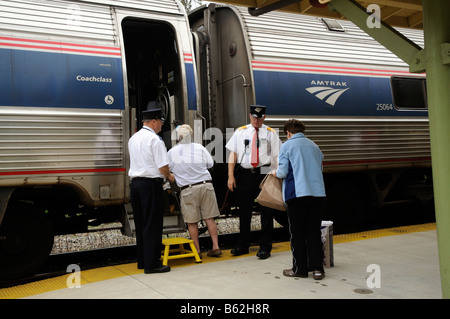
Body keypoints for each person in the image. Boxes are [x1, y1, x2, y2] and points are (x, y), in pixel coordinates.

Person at [226, 105, 281, 258]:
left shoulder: (271, 133)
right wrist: (230, 176)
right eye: (254, 117)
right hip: (245, 175)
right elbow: (233, 154)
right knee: (244, 212)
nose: (257, 120)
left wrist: (276, 173)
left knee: (266, 211)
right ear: (250, 117)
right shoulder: (241, 131)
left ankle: (265, 247)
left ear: (264, 117)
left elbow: (277, 156)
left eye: (260, 117)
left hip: (264, 174)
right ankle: (243, 245)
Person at [274, 119, 326, 280]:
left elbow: (282, 172)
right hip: (317, 194)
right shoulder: (314, 146)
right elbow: (320, 168)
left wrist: (273, 173)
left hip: (296, 194)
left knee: (297, 233)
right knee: (313, 232)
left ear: (288, 133)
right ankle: (318, 270)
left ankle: (300, 269)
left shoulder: (286, 146)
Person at [128, 103, 175, 274]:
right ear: (154, 121)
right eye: (161, 121)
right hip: (150, 185)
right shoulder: (155, 139)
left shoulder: (133, 138)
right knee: (152, 224)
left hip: (136, 185)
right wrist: (170, 176)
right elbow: (162, 167)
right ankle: (152, 264)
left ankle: (143, 260)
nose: (162, 125)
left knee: (141, 224)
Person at [168, 124, 222, 257]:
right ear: (190, 135)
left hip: (188, 189)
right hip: (206, 186)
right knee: (209, 218)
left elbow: (167, 169)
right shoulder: (200, 147)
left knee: (192, 222)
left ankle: (197, 250)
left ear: (178, 137)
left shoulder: (172, 152)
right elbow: (210, 164)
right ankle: (215, 246)